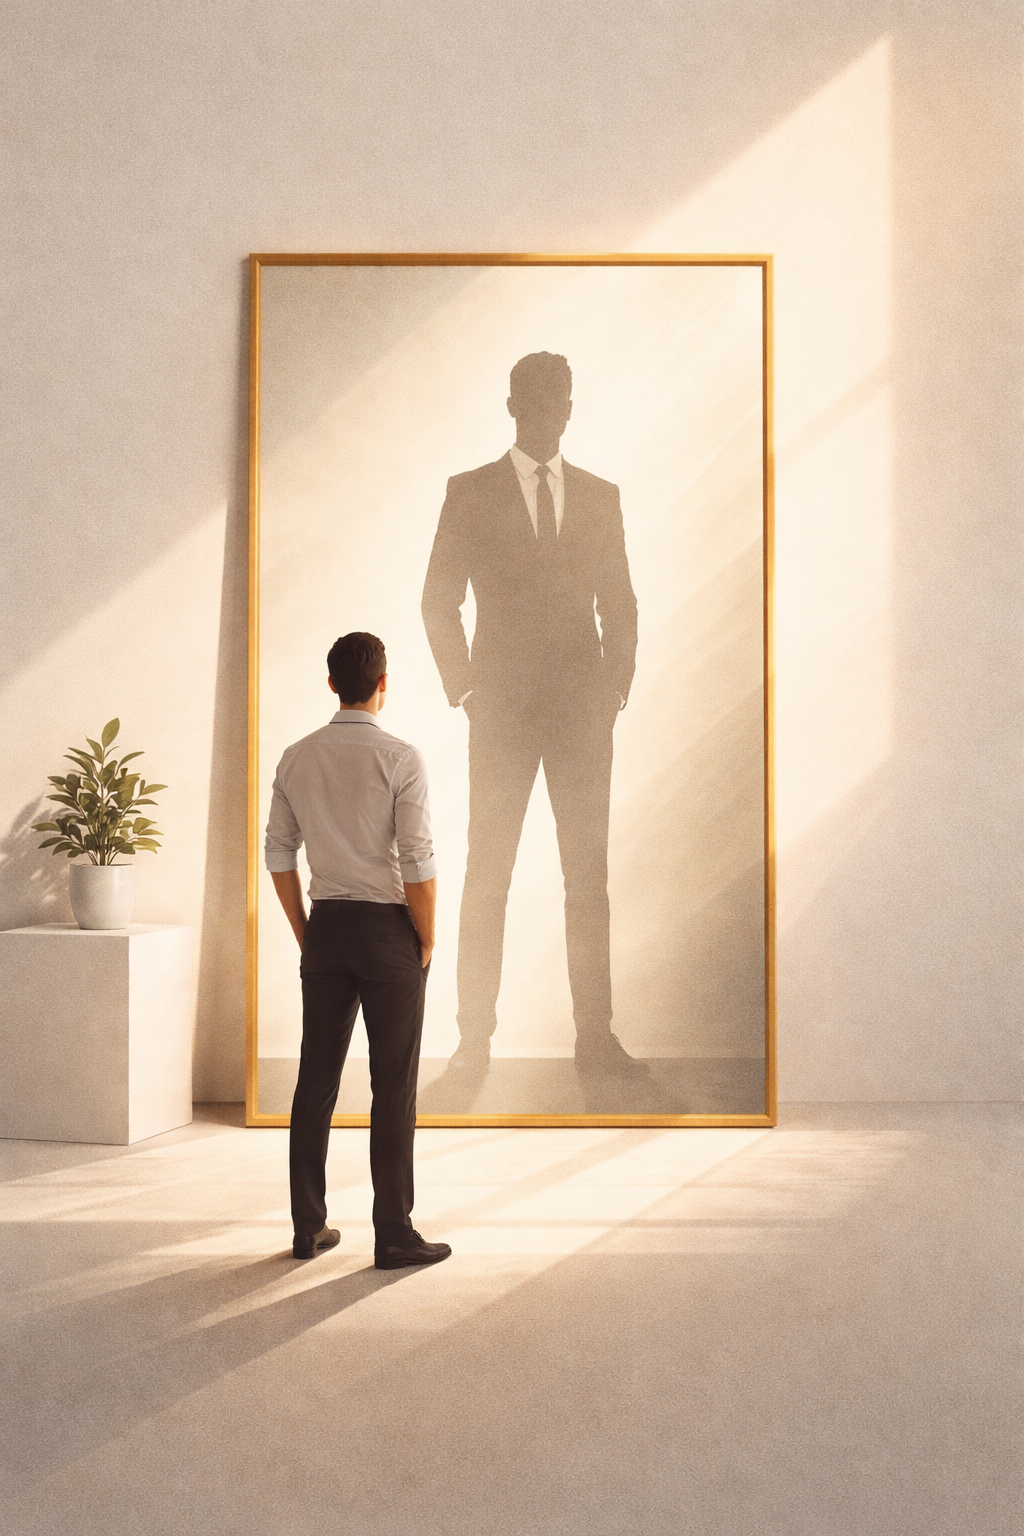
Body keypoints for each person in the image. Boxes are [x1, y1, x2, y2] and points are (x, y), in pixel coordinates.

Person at [421, 351, 646, 1079]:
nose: (551, 414)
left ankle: (596, 1039)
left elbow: (620, 600)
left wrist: (614, 689)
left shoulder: (601, 497)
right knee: (488, 876)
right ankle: (473, 1044)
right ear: (512, 406)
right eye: (537, 401)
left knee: (588, 882)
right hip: (501, 718)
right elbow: (438, 599)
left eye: (561, 402)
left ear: (571, 409)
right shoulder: (470, 492)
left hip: (583, 717)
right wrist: (467, 690)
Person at [264, 631, 451, 1268]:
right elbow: (418, 862)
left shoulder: (295, 757)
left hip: (327, 928)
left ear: (331, 684)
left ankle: (307, 1227)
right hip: (389, 931)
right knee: (392, 1086)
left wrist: (306, 931)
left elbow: (278, 854)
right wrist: (426, 937)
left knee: (314, 1080)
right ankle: (393, 1233)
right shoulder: (401, 758)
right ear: (382, 684)